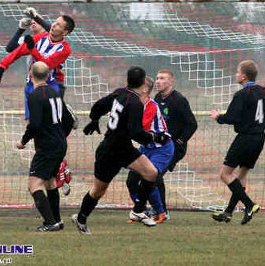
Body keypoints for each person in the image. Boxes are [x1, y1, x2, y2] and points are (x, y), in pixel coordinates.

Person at [71, 66, 161, 235]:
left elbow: (98, 106)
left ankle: (138, 210)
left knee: (151, 173)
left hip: (124, 148)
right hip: (110, 151)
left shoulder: (119, 93)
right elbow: (137, 134)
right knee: (98, 190)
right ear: (143, 83)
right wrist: (155, 138)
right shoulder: (135, 103)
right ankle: (81, 219)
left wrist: (94, 119)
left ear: (127, 80)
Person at [210, 60, 265, 225]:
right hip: (259, 138)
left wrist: (218, 117)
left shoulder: (241, 94)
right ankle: (228, 212)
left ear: (243, 76)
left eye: (237, 72)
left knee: (225, 174)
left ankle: (249, 205)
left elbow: (232, 118)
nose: (236, 75)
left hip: (245, 138)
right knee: (241, 175)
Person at [16, 61, 74, 232]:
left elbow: (34, 125)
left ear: (30, 74)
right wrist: (60, 136)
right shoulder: (55, 93)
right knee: (50, 183)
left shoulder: (34, 96)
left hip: (47, 147)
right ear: (48, 76)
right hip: (60, 144)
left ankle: (50, 222)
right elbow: (69, 120)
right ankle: (57, 220)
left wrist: (23, 142)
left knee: (34, 185)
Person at [0, 14, 75, 121]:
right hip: (31, 85)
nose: (53, 25)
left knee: (50, 124)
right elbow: (17, 52)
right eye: (55, 22)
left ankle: (66, 117)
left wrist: (32, 49)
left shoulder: (65, 49)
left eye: (58, 25)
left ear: (65, 32)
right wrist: (1, 67)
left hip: (50, 87)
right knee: (31, 123)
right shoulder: (38, 38)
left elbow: (45, 66)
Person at [125, 76, 174, 223]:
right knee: (131, 181)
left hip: (162, 149)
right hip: (147, 147)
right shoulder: (133, 104)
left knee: (149, 178)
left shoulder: (151, 106)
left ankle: (161, 212)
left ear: (145, 90)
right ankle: (142, 211)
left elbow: (141, 128)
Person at [153, 69, 197, 221]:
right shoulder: (157, 98)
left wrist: (180, 141)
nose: (158, 81)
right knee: (152, 175)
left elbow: (192, 124)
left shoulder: (179, 100)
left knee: (155, 175)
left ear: (171, 82)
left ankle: (162, 212)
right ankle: (158, 210)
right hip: (160, 146)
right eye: (157, 78)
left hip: (174, 148)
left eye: (162, 78)